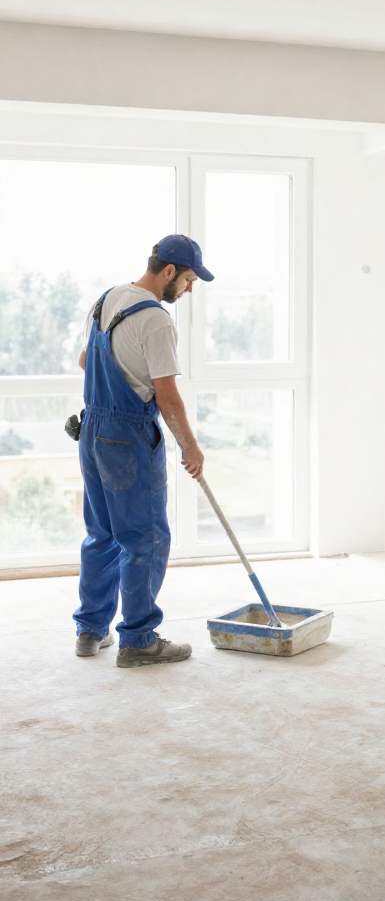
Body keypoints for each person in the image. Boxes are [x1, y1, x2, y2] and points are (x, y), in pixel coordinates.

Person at [73, 235, 212, 668]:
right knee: (146, 539)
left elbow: (84, 362)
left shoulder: (106, 299)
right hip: (128, 438)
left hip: (92, 429)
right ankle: (138, 639)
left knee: (102, 535)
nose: (188, 290)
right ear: (168, 271)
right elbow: (168, 399)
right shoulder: (156, 319)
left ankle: (90, 631)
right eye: (188, 280)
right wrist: (191, 447)